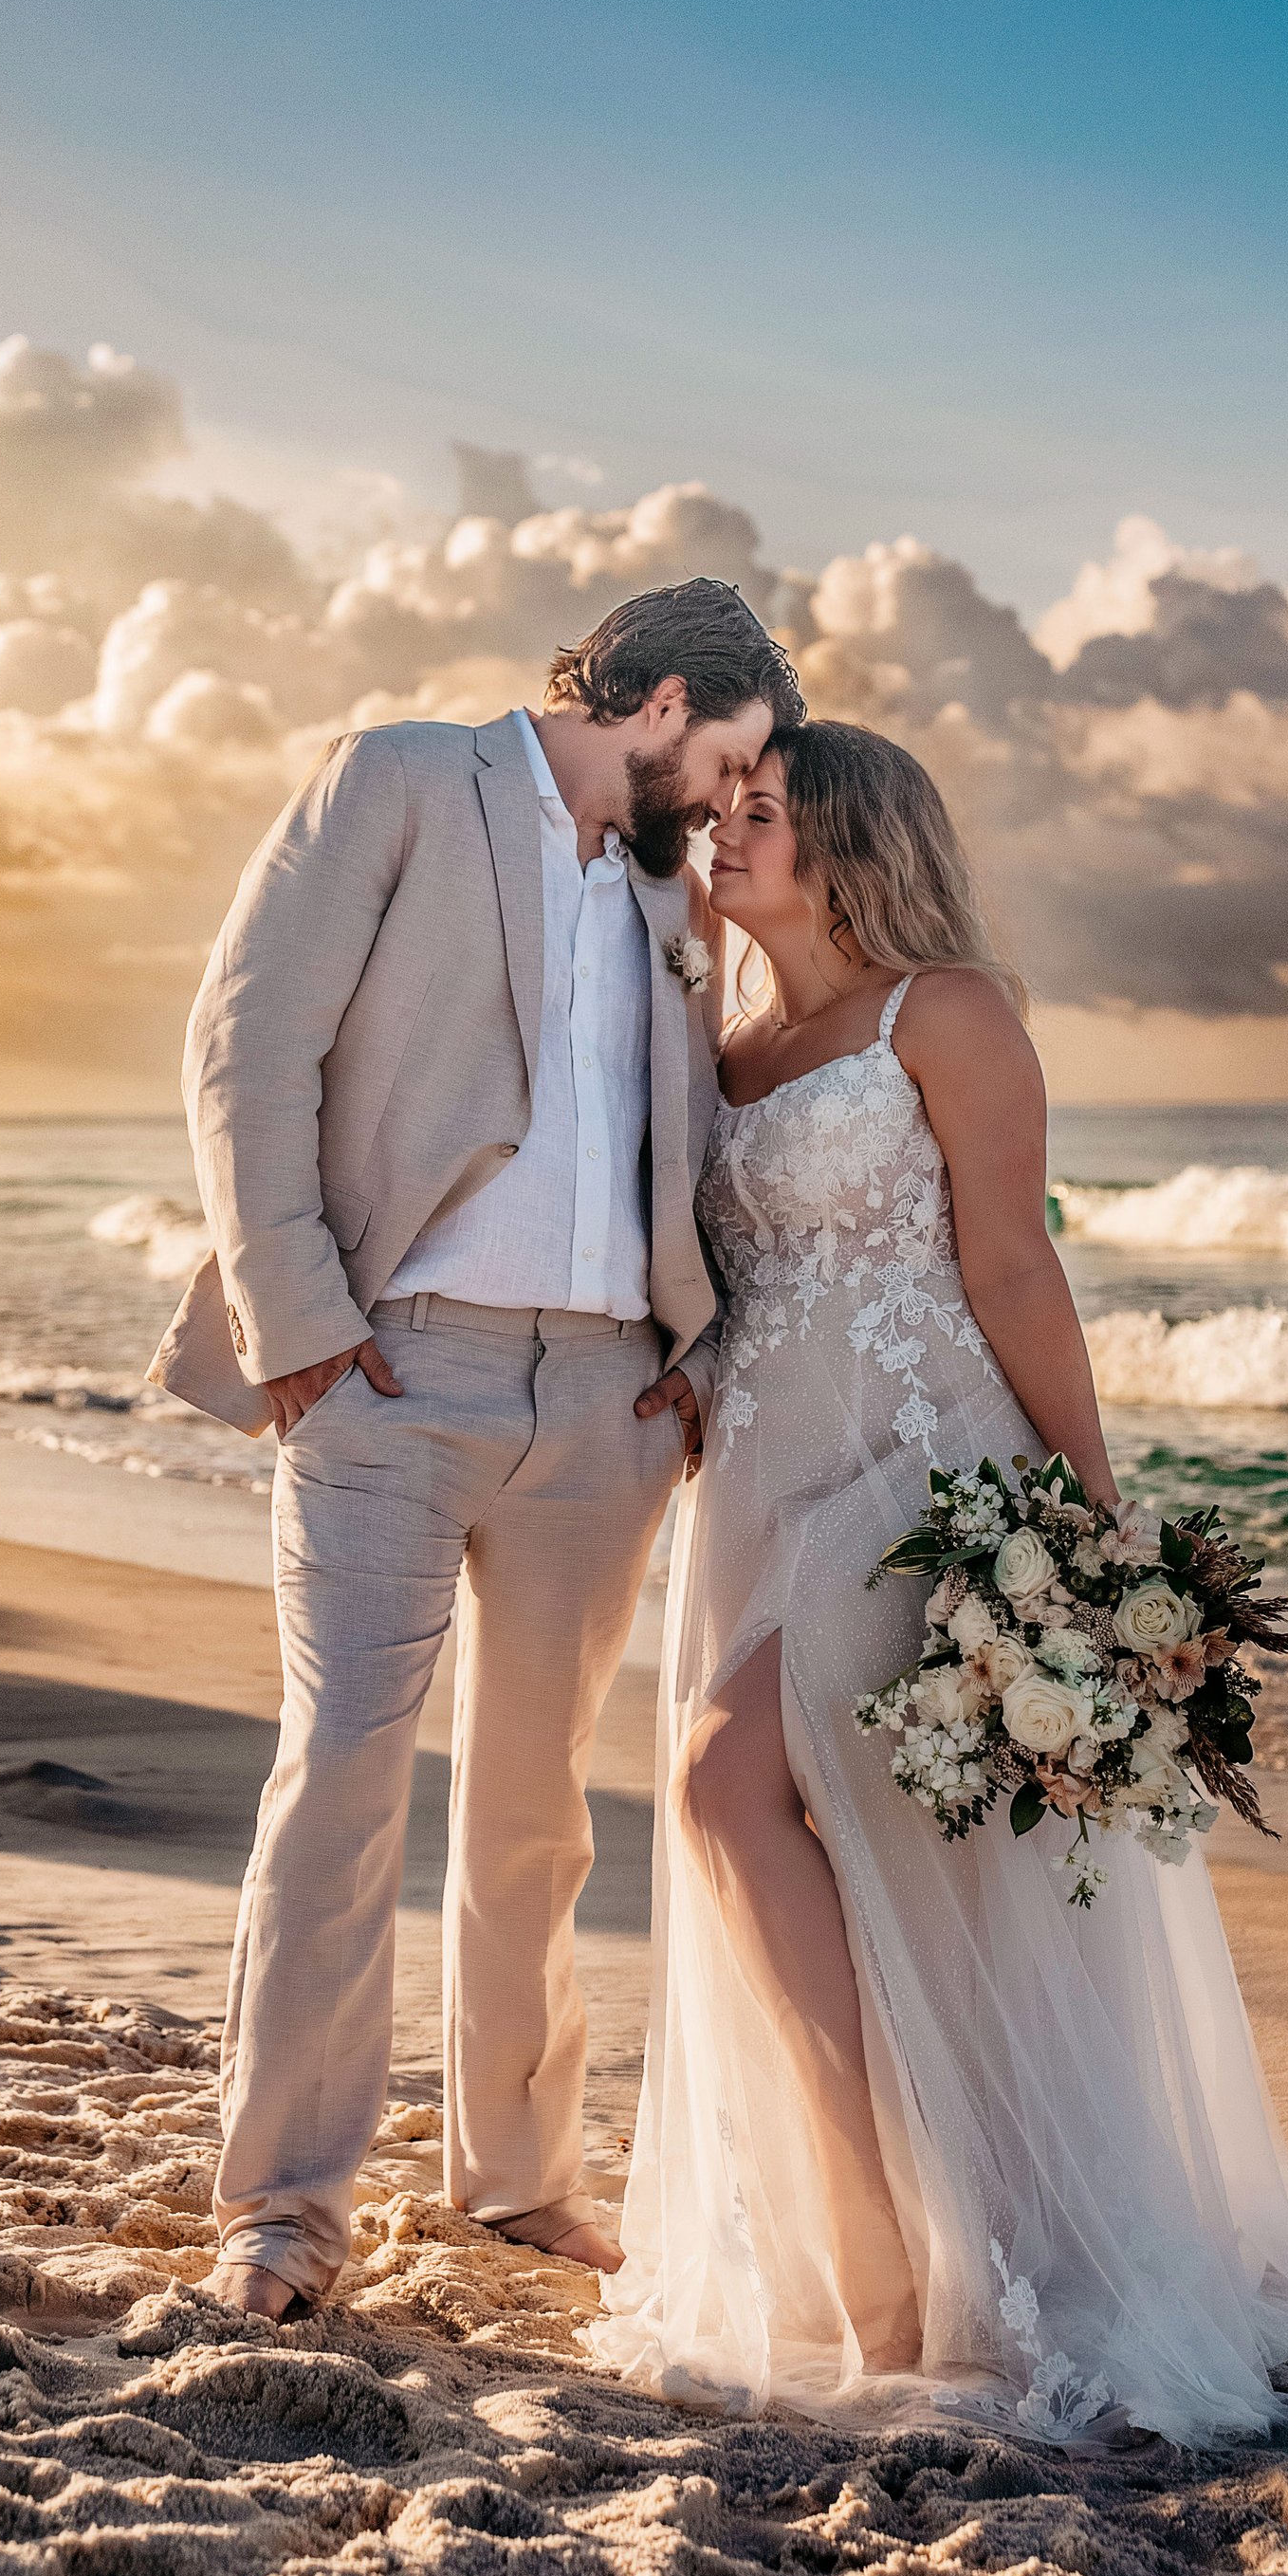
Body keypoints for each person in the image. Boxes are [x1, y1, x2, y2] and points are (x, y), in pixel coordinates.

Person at [589, 720, 1288, 2439]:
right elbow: (718, 1272)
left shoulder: (950, 1013)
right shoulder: (718, 1039)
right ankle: (919, 2212)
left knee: (726, 1781)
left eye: (762, 813)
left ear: (853, 841)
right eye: (727, 812)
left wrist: (1089, 1517)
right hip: (766, 1488)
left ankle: (894, 2241)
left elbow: (1014, 1258)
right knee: (842, 1850)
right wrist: (681, 1379)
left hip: (931, 1484)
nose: (728, 836)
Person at [152, 578, 804, 2318]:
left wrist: (693, 1345)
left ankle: (515, 2178)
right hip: (386, 1370)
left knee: (537, 1811)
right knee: (343, 1779)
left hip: (604, 1405)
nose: (734, 807)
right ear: (663, 702)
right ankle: (284, 2204)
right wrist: (295, 1324)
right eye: (731, 763)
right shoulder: (399, 782)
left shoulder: (678, 898)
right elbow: (245, 1041)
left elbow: (691, 1136)